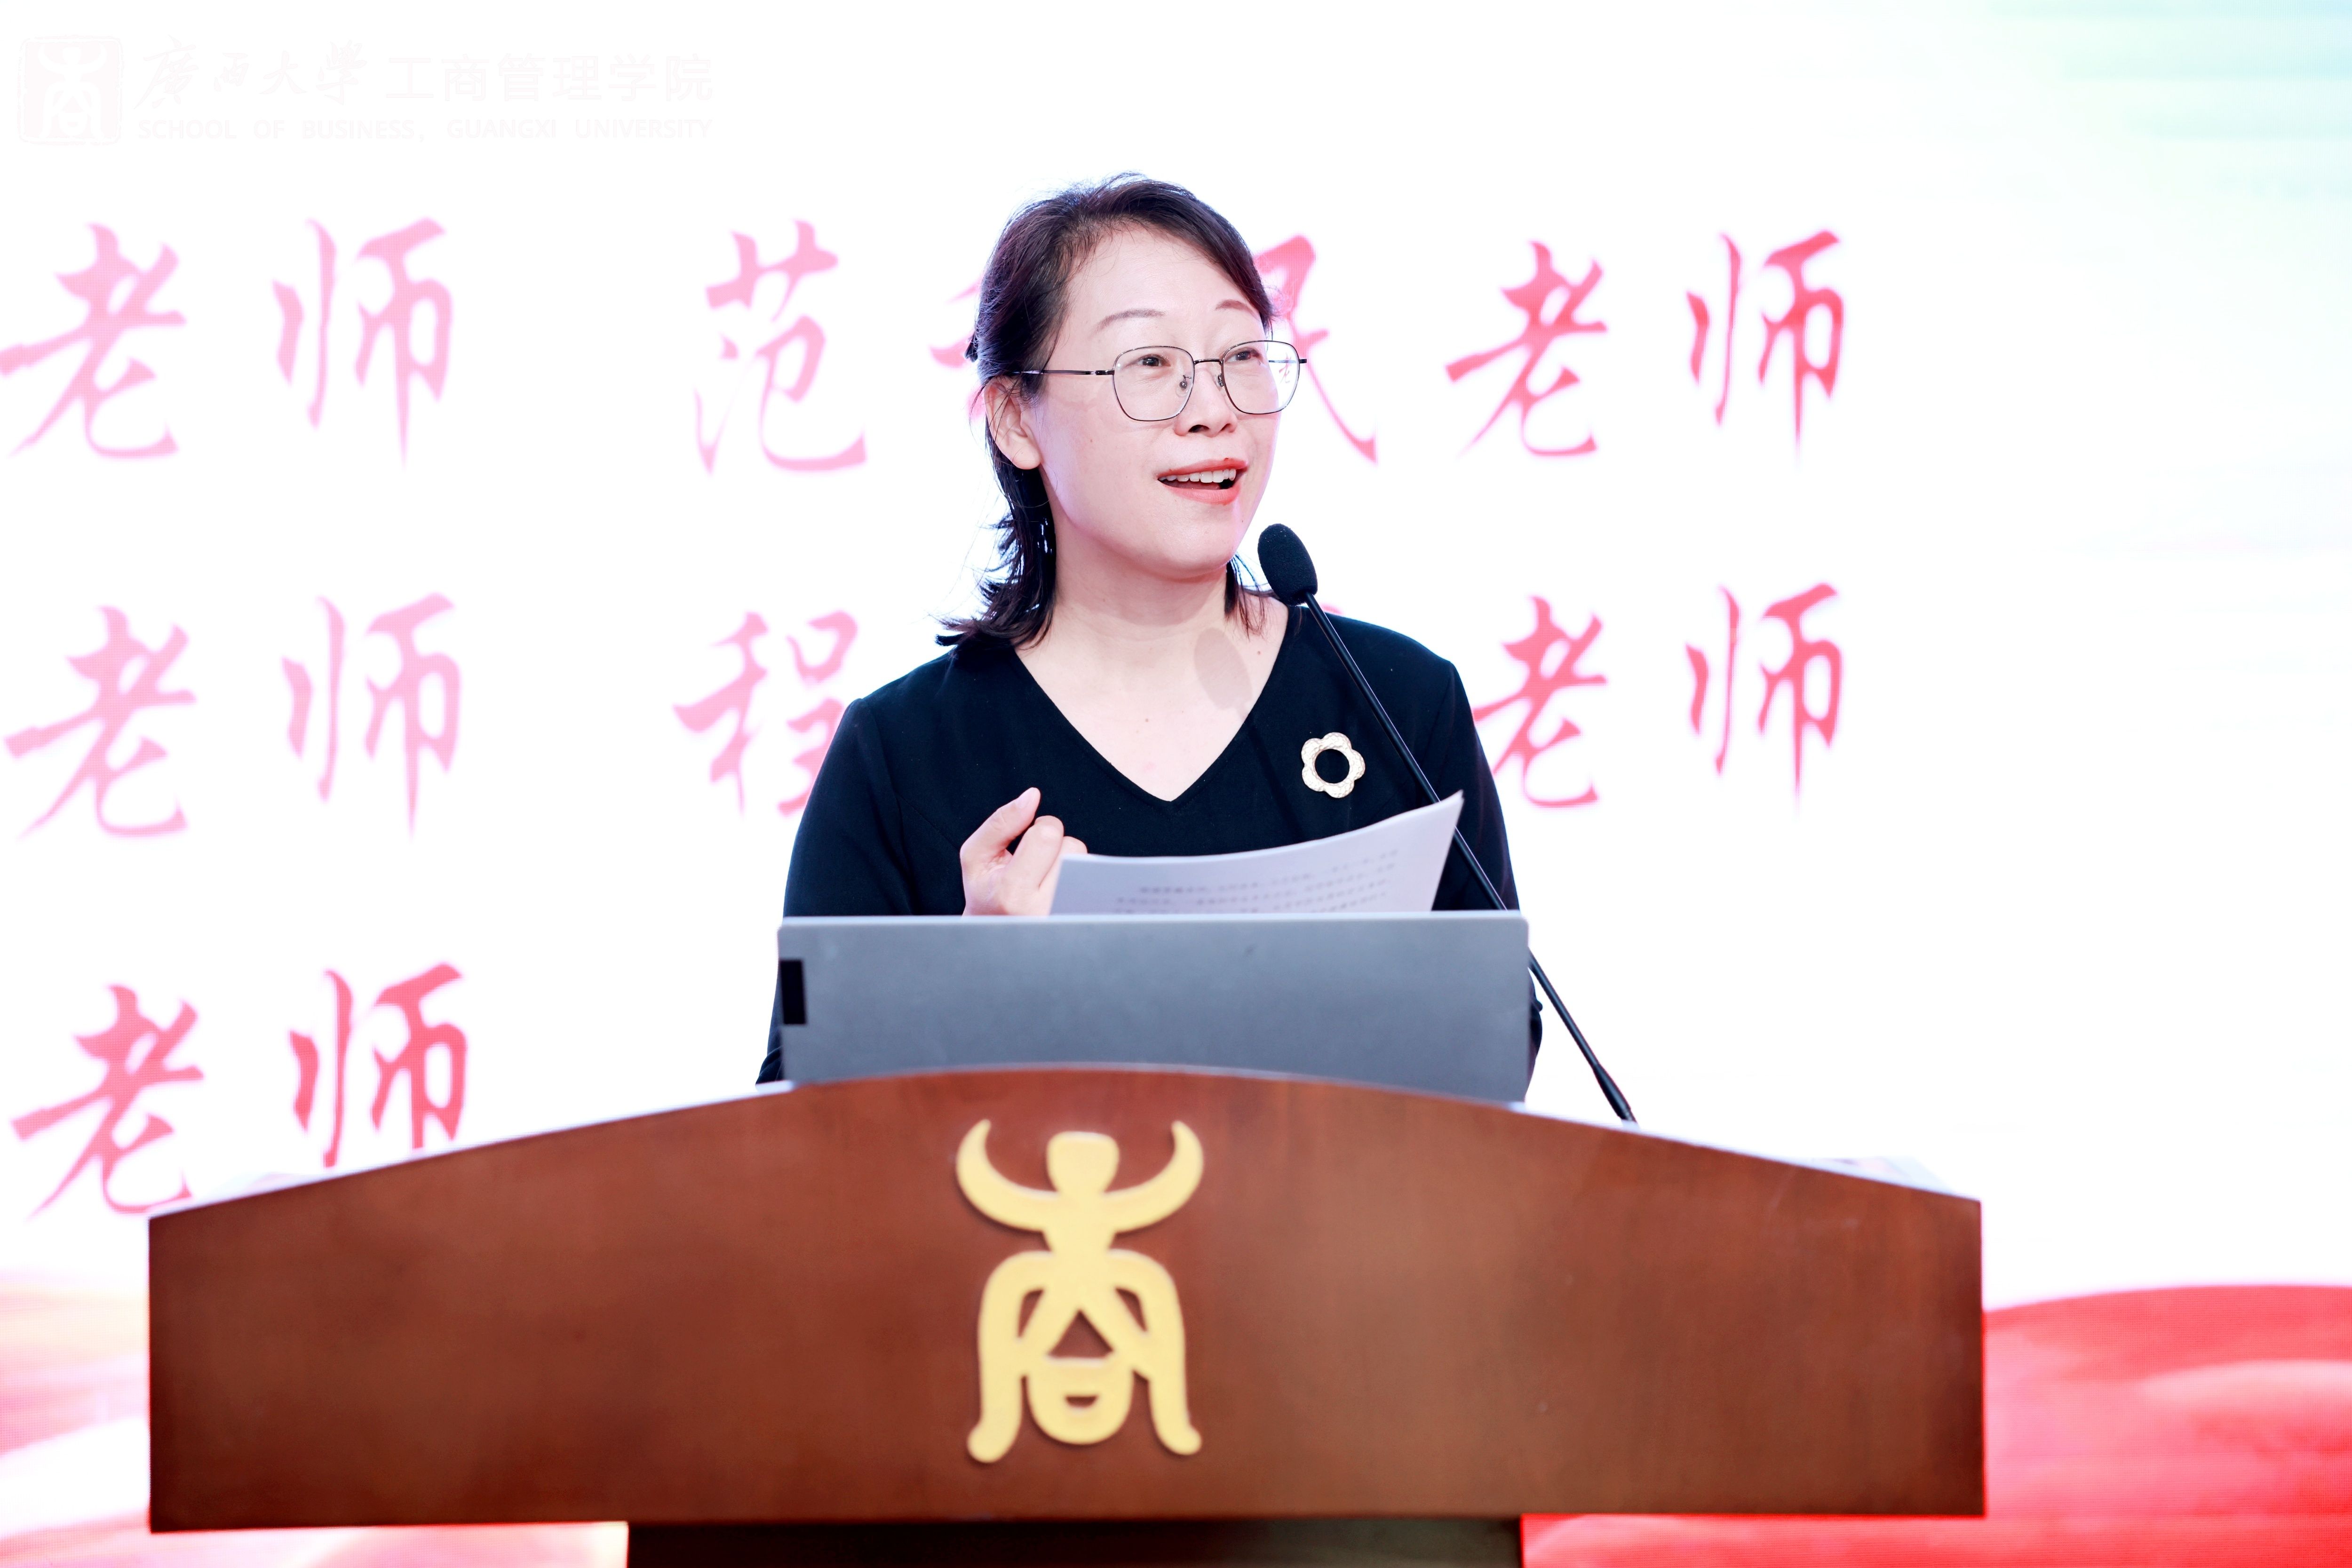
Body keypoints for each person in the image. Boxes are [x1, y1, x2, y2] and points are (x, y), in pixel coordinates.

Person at [759, 175, 1526, 1082]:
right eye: (1150, 363)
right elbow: (798, 1112)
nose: (1214, 409)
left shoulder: (1395, 704)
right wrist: (966, 986)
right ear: (1015, 418)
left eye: (1242, 355)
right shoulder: (902, 754)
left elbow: (1499, 1040)